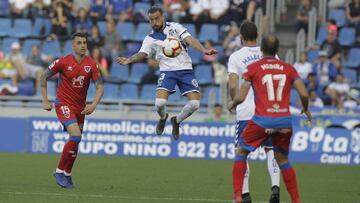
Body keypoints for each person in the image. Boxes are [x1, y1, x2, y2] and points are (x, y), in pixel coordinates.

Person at [228, 35, 312, 203]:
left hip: (261, 120)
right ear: (277, 50)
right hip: (284, 121)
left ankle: (238, 195)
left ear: (262, 49)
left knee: (241, 152)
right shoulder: (288, 68)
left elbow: (242, 94)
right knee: (282, 159)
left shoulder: (253, 67)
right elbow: (303, 93)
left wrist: (233, 103)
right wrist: (306, 108)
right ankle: (296, 200)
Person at [116, 6, 217, 140]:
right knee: (159, 103)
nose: (154, 22)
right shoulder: (150, 38)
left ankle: (176, 121)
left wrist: (204, 50)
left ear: (162, 16)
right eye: (151, 20)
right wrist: (129, 60)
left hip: (185, 69)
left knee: (195, 104)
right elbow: (142, 53)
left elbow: (190, 40)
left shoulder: (175, 27)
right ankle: (163, 117)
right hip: (167, 71)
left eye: (157, 19)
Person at [40, 32, 104, 188]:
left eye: (84, 42)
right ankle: (59, 171)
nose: (83, 45)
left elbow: (100, 87)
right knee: (75, 136)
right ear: (73, 45)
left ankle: (67, 175)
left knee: (77, 142)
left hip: (80, 108)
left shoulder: (91, 64)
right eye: (79, 43)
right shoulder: (63, 62)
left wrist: (93, 105)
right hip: (63, 104)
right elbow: (43, 76)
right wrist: (45, 100)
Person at [227, 21, 280, 203]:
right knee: (271, 150)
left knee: (241, 153)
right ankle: (275, 187)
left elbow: (233, 84)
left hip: (246, 112)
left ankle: (245, 194)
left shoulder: (235, 57)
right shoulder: (271, 54)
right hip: (269, 112)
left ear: (241, 37)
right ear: (257, 36)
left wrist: (234, 102)